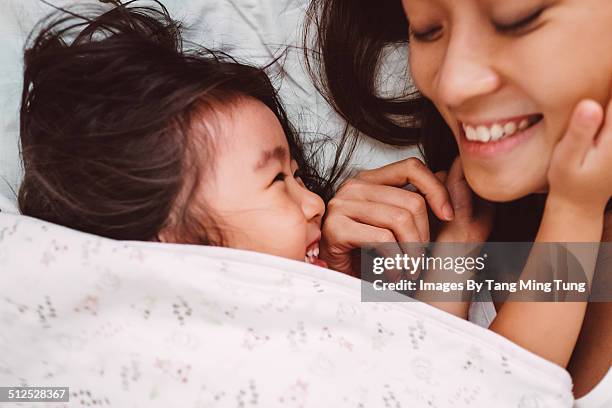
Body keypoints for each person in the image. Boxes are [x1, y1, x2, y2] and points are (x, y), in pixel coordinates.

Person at [305, 0, 612, 396]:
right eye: (427, 30)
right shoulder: (448, 235)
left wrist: (573, 210)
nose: (451, 83)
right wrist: (333, 293)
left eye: (517, 19)